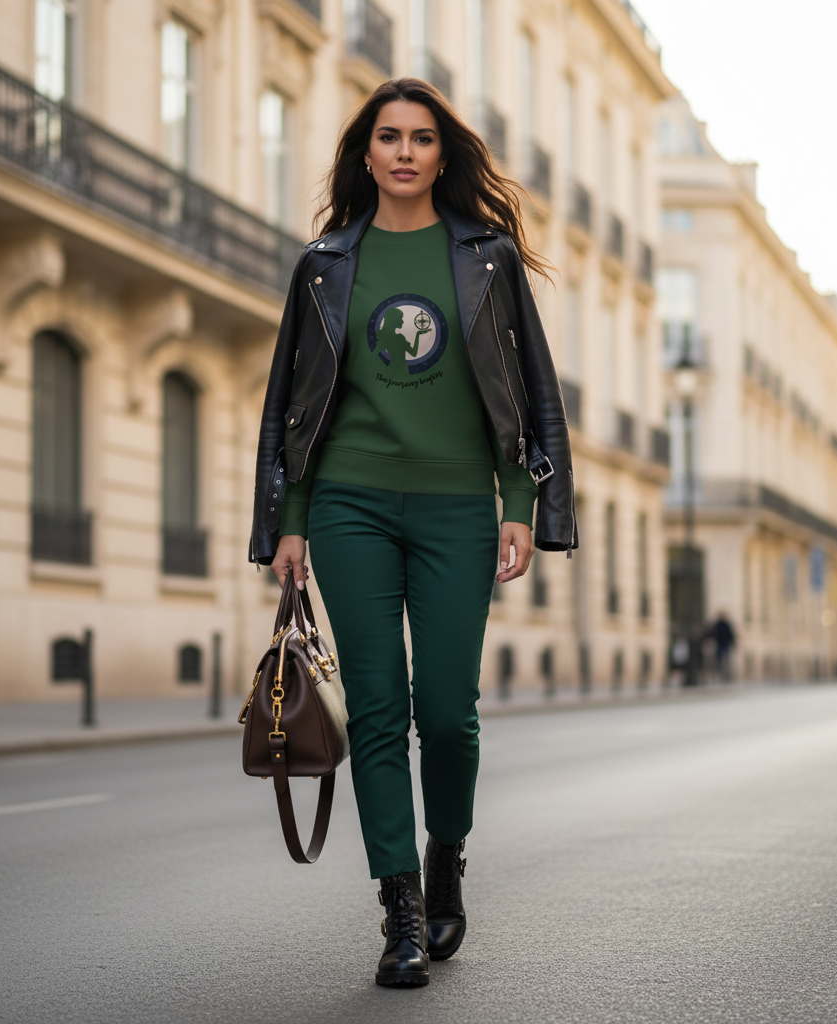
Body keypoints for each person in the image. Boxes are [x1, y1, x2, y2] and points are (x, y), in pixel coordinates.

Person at [249, 78, 576, 988]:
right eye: (387, 137)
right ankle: (398, 910)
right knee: (380, 713)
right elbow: (291, 407)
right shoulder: (322, 264)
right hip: (350, 503)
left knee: (448, 713)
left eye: (421, 138)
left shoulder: (486, 256)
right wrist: (290, 522)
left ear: (442, 155)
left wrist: (521, 502)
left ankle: (446, 857)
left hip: (455, 508)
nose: (403, 151)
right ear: (366, 155)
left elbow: (526, 394)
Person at [708, 611, 737, 682]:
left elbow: (730, 635)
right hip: (722, 644)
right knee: (723, 661)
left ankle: (723, 675)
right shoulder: (723, 625)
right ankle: (724, 675)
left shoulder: (719, 625)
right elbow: (731, 635)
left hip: (722, 644)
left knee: (721, 661)